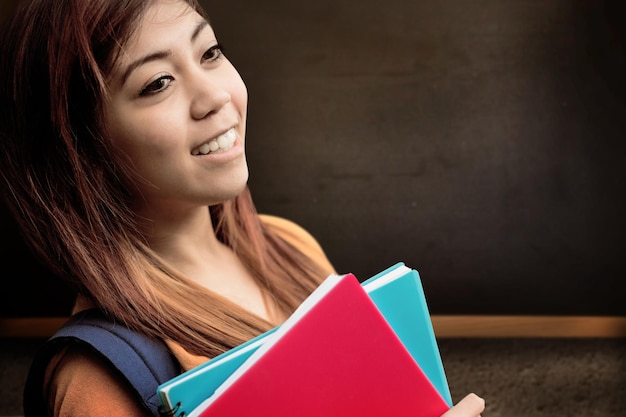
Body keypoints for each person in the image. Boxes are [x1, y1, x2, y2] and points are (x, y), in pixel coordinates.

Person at [0, 0, 485, 416]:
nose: (214, 95)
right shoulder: (95, 378)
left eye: (209, 53)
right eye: (158, 83)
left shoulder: (289, 244)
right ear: (81, 150)